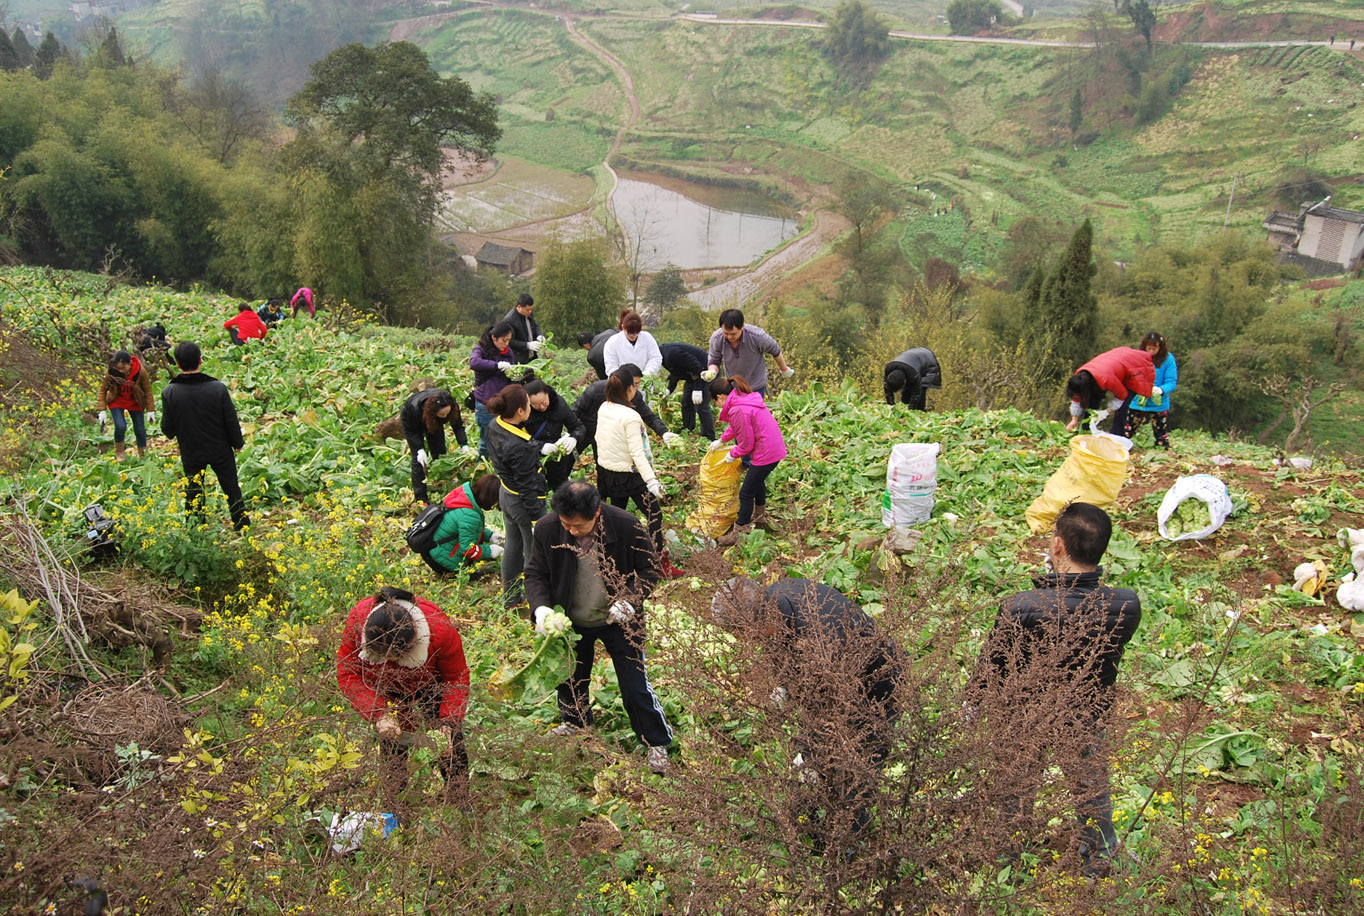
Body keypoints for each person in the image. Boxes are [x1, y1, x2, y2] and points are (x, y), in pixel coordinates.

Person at [970, 502, 1142, 877]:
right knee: (1092, 790)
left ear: (1058, 547)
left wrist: (970, 707)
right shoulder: (1126, 605)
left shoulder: (1022, 607)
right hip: (1086, 712)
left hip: (1026, 716)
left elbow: (991, 668)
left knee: (1015, 791)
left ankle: (1007, 866)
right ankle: (1101, 863)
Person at [710, 576, 906, 842]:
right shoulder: (774, 598)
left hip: (878, 687)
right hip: (835, 687)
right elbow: (784, 652)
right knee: (813, 771)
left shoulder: (822, 641)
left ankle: (849, 850)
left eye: (745, 634)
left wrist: (811, 751)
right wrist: (784, 685)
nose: (746, 641)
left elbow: (837, 711)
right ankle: (810, 828)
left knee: (857, 771)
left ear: (759, 622)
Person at [525, 481, 673, 774]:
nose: (571, 531)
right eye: (566, 524)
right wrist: (541, 609)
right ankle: (576, 723)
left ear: (596, 513)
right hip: (570, 619)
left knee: (634, 684)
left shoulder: (626, 525)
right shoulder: (547, 527)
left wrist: (629, 601)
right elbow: (535, 573)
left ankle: (656, 742)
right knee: (569, 676)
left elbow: (651, 568)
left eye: (577, 526)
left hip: (618, 619)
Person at [336, 586, 470, 801]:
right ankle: (396, 805)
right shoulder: (359, 620)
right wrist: (379, 713)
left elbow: (456, 678)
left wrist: (449, 720)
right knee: (392, 747)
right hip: (386, 688)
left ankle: (459, 798)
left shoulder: (439, 630)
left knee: (451, 745)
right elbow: (347, 673)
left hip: (431, 684)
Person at [594, 368, 683, 578]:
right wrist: (651, 480)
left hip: (609, 473)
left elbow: (599, 439)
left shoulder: (604, 407)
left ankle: (613, 564)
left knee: (613, 519)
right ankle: (660, 564)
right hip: (630, 475)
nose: (637, 389)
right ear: (629, 389)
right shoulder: (630, 417)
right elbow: (637, 452)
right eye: (635, 386)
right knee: (655, 516)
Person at [160, 341, 249, 530]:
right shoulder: (217, 388)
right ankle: (242, 526)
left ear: (177, 363)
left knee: (193, 492)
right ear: (201, 360)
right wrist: (238, 443)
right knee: (231, 488)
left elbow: (167, 430)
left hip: (191, 451)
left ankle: (196, 529)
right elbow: (230, 420)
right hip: (220, 449)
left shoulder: (170, 392)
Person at [483, 384, 548, 609]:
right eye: (528, 405)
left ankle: (510, 598)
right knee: (534, 554)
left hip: (506, 494)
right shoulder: (519, 448)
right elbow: (527, 485)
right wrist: (536, 519)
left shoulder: (495, 424)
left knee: (512, 545)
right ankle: (536, 603)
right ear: (520, 411)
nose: (531, 408)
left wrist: (538, 447)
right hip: (524, 503)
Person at [712, 375, 787, 547]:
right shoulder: (743, 400)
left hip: (766, 452)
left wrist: (732, 454)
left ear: (720, 397)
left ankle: (739, 532)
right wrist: (722, 440)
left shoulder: (737, 409)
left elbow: (746, 444)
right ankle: (760, 517)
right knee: (757, 481)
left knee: (746, 493)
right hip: (773, 448)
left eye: (714, 402)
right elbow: (737, 426)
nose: (716, 406)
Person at [572, 363, 681, 455]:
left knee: (604, 466)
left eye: (638, 384)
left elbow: (649, 417)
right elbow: (576, 410)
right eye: (634, 384)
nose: (635, 388)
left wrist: (664, 432)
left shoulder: (635, 396)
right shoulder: (597, 389)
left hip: (608, 437)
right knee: (568, 459)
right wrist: (573, 432)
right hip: (586, 428)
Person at [400, 387, 470, 505]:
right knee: (419, 462)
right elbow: (411, 432)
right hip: (414, 421)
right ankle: (421, 498)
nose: (445, 416)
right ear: (434, 411)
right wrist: (419, 449)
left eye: (447, 413)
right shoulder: (414, 409)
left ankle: (443, 481)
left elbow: (457, 426)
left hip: (433, 421)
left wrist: (464, 444)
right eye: (442, 414)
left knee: (440, 452)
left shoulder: (452, 407)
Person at [1064, 346, 1156, 435]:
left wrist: (1106, 412)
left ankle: (1118, 436)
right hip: (1114, 362)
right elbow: (1077, 397)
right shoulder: (1080, 377)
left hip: (1135, 365)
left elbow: (1122, 396)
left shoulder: (1107, 380)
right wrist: (1074, 419)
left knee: (1123, 406)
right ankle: (1085, 431)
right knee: (1093, 399)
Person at [423, 475, 504, 575]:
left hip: (435, 549)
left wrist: (490, 536)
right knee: (476, 575)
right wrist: (490, 551)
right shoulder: (470, 515)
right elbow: (467, 549)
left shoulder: (464, 499)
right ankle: (449, 570)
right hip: (441, 558)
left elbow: (467, 530)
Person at [703, 308, 793, 396]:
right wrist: (712, 372)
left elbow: (775, 350)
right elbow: (714, 360)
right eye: (726, 333)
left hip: (756, 386)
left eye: (733, 334)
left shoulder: (758, 336)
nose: (729, 337)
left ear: (742, 326)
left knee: (755, 411)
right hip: (734, 386)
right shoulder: (717, 338)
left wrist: (784, 368)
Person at [523, 378, 586, 491]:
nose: (541, 407)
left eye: (543, 402)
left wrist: (574, 438)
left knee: (562, 491)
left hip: (555, 459)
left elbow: (578, 426)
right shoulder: (523, 411)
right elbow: (517, 438)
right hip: (531, 460)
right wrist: (540, 446)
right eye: (535, 405)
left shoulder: (558, 404)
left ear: (548, 393)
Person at [470, 321, 518, 457]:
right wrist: (496, 365)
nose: (506, 343)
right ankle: (482, 470)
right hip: (485, 402)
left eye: (509, 340)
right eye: (504, 340)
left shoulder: (508, 351)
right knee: (486, 442)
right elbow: (473, 362)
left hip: (502, 401)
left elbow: (510, 371)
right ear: (494, 337)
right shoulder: (481, 348)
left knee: (501, 441)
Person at [95, 349, 154, 462]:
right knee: (121, 426)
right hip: (117, 400)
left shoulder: (140, 371)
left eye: (123, 368)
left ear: (129, 364)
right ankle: (120, 452)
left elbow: (147, 390)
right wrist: (101, 409)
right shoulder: (111, 371)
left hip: (135, 401)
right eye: (118, 368)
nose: (121, 371)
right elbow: (102, 389)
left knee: (140, 429)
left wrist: (150, 410)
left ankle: (143, 454)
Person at [1124, 332, 1177, 450]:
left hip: (1159, 403)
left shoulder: (1168, 359)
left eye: (1154, 348)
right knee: (1127, 431)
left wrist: (1161, 390)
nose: (1151, 352)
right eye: (1148, 348)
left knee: (1161, 436)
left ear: (1160, 347)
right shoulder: (1137, 357)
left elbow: (1172, 382)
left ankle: (1161, 453)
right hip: (1138, 401)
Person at [660, 341, 715, 440]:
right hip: (692, 376)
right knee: (686, 402)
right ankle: (688, 429)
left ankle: (708, 437)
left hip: (706, 373)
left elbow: (697, 367)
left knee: (701, 405)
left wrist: (698, 389)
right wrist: (668, 390)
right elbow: (675, 372)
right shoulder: (663, 357)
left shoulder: (671, 353)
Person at [603, 309, 663, 377]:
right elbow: (611, 366)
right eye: (629, 334)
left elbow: (655, 358)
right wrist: (625, 379)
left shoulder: (647, 338)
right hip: (621, 383)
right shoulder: (612, 342)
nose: (633, 336)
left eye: (636, 333)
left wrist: (646, 374)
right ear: (623, 327)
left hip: (644, 381)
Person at [503, 293, 544, 365]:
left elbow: (534, 326)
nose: (530, 312)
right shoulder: (509, 320)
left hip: (532, 356)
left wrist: (539, 335)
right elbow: (510, 341)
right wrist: (527, 345)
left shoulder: (528, 313)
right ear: (519, 307)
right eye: (527, 310)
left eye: (531, 309)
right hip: (519, 359)